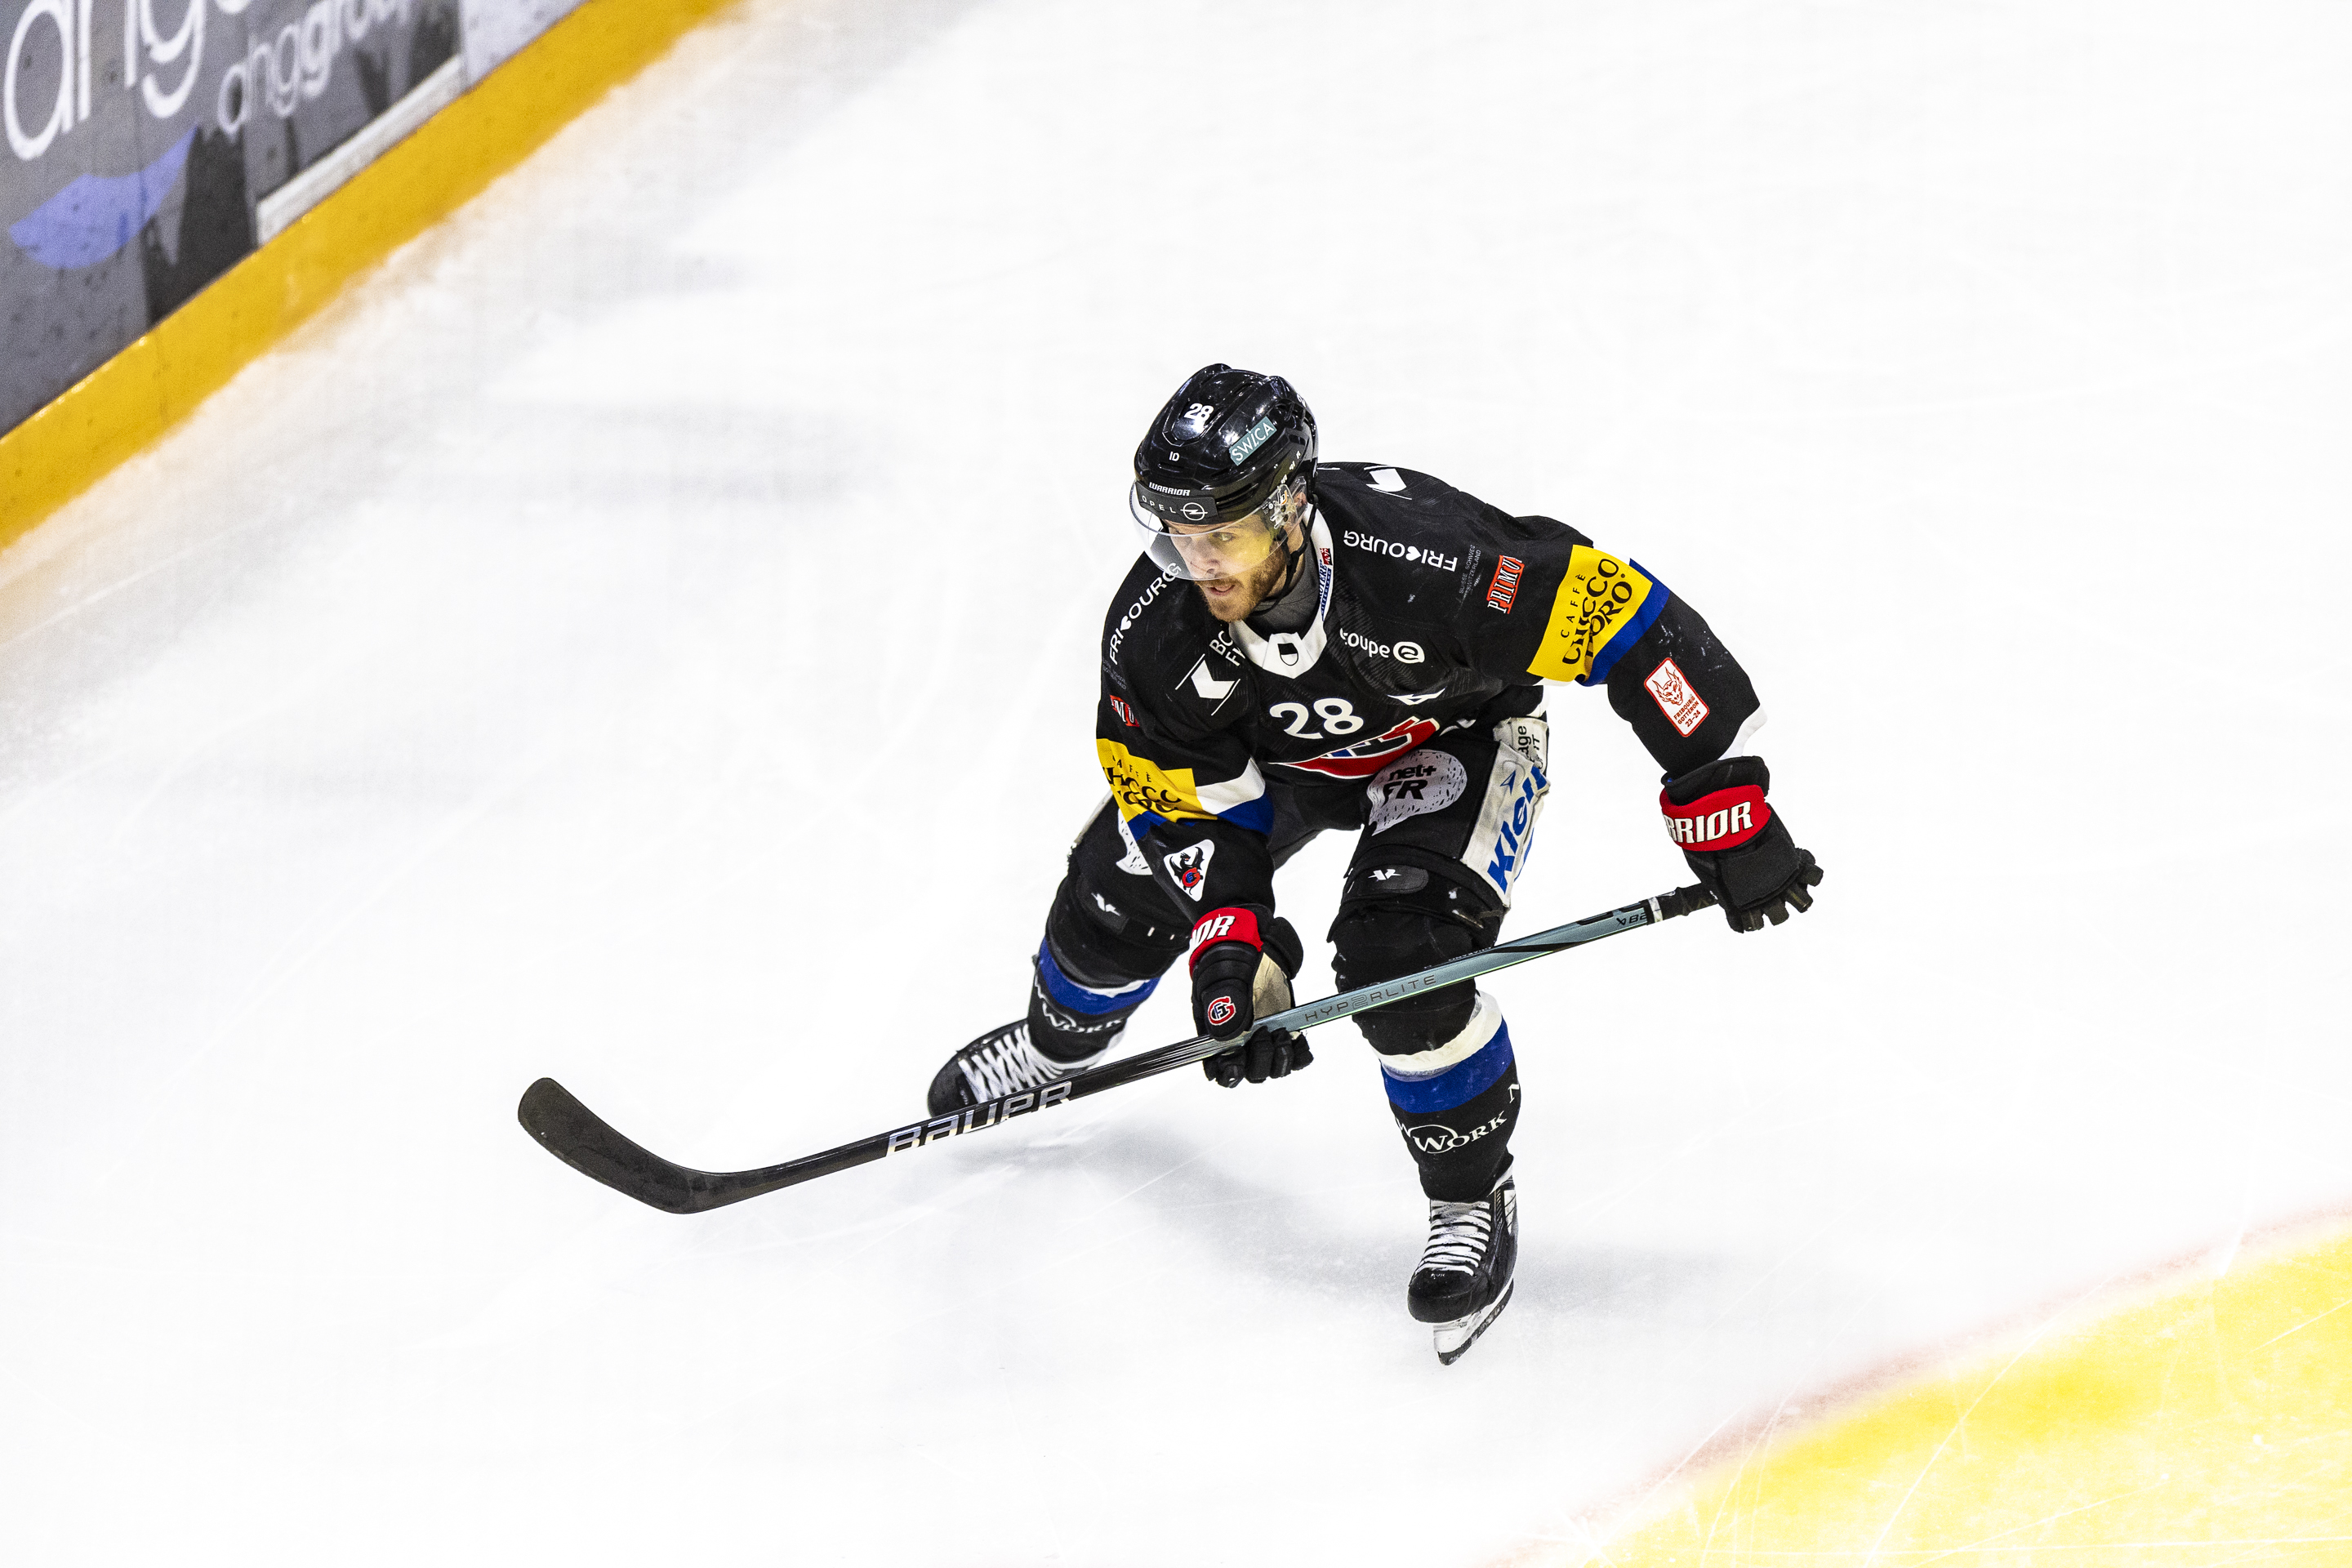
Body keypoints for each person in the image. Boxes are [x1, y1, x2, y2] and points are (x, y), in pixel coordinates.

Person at [927, 365, 1823, 1361]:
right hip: (1274, 770)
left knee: (1403, 962)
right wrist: (1235, 947)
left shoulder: (1434, 562)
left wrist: (1722, 801)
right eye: (1177, 533)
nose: (1198, 562)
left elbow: (1632, 623)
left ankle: (1471, 1197)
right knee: (1112, 896)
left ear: (1290, 505)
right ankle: (1054, 1047)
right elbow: (1178, 804)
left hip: (1453, 743)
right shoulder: (1157, 629)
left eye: (1222, 534)